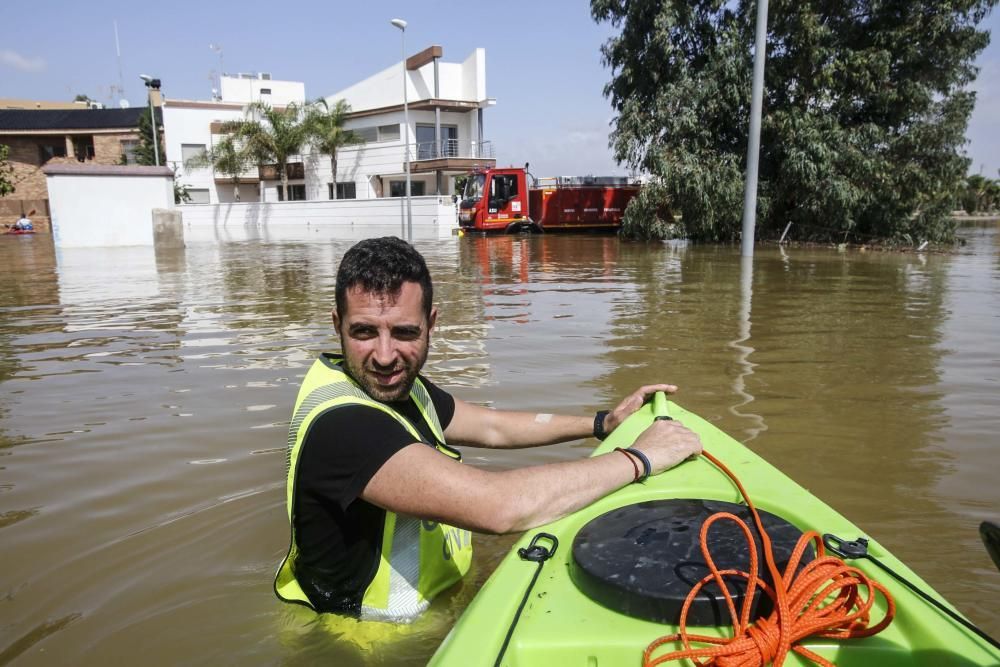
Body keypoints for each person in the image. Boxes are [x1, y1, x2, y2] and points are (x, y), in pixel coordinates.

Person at [274, 236, 703, 623]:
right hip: (364, 641)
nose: (385, 356)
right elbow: (499, 507)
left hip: (421, 618)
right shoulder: (344, 426)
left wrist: (601, 424)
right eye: (365, 332)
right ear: (337, 326)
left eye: (404, 332)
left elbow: (494, 426)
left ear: (431, 324)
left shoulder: (398, 389)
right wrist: (639, 458)